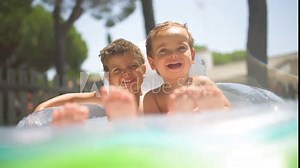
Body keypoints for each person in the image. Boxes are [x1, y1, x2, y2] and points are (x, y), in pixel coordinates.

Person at [33, 38, 146, 123]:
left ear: (144, 70)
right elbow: (72, 98)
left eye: (133, 66)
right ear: (109, 78)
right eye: (117, 70)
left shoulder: (150, 100)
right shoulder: (107, 97)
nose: (126, 73)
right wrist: (40, 110)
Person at [143, 21, 231, 115]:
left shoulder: (203, 83)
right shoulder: (153, 98)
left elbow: (230, 111)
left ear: (192, 56)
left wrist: (217, 109)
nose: (173, 55)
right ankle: (177, 117)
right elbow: (153, 128)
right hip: (175, 128)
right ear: (152, 63)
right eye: (163, 51)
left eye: (181, 48)